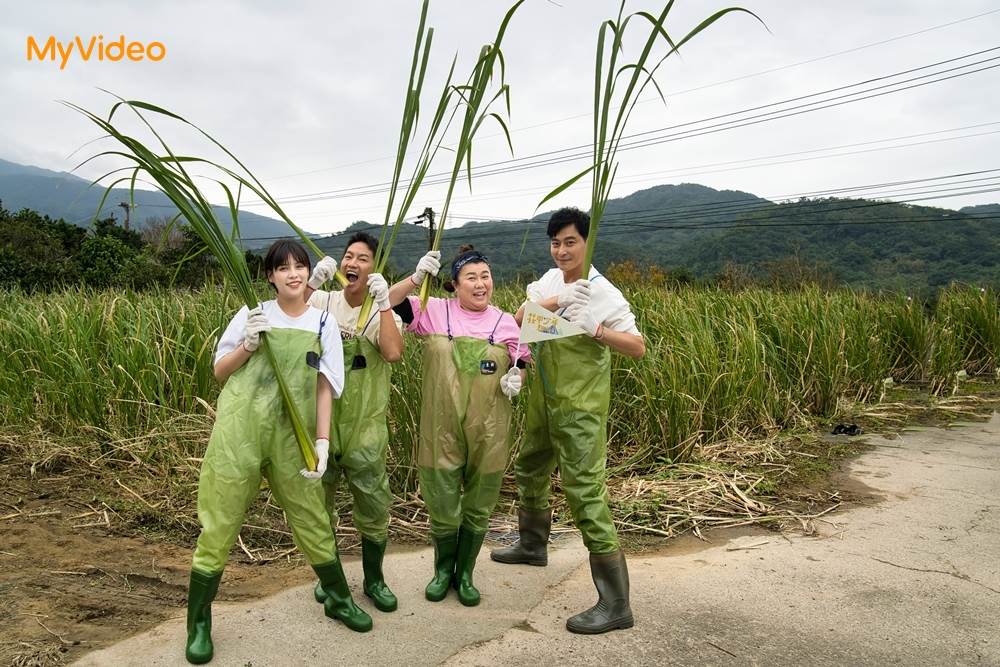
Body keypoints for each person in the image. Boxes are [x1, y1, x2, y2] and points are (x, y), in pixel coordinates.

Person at [185, 240, 371, 665]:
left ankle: (339, 598)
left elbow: (327, 385)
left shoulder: (322, 322)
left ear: (308, 272)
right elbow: (218, 371)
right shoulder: (253, 314)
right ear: (269, 276)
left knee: (311, 516)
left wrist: (322, 442)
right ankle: (198, 623)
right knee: (220, 519)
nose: (293, 273)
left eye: (299, 266)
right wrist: (247, 345)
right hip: (241, 429)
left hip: (294, 435)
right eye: (282, 268)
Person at [490, 207, 646, 635]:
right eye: (555, 242)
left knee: (583, 489)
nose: (561, 250)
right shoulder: (551, 279)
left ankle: (616, 603)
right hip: (545, 395)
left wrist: (596, 329)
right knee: (531, 463)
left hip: (580, 405)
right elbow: (519, 319)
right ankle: (533, 545)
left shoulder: (604, 292)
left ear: (587, 243)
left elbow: (637, 347)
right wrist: (557, 301)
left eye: (570, 242)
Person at [387, 245, 529, 606]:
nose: (481, 284)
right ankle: (442, 571)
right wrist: (416, 278)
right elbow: (385, 302)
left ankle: (465, 574)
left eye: (485, 276)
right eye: (471, 277)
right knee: (442, 500)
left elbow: (520, 363)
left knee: (480, 501)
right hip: (441, 426)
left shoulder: (506, 322)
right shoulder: (433, 310)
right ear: (454, 284)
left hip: (490, 428)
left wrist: (518, 381)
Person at [304, 232, 404, 613]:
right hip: (321, 423)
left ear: (374, 268)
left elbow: (393, 353)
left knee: (373, 506)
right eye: (349, 256)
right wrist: (312, 281)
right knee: (319, 506)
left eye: (363, 258)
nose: (353, 264)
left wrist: (384, 304)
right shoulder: (323, 301)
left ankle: (374, 580)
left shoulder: (382, 310)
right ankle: (329, 577)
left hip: (365, 428)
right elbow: (286, 315)